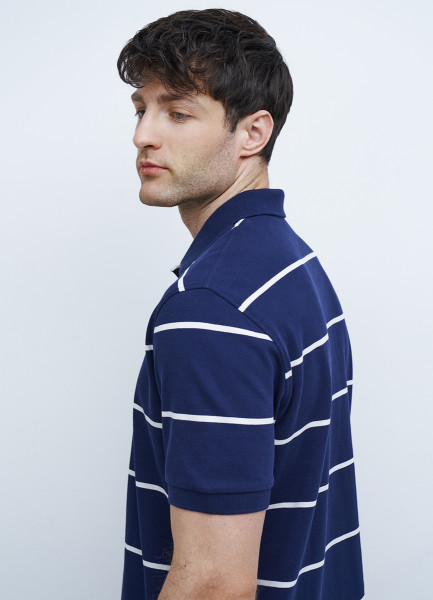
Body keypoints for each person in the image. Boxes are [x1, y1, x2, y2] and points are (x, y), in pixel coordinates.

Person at [117, 8, 364, 600]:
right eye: (140, 109)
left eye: (178, 112)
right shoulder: (290, 264)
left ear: (253, 134)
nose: (143, 134)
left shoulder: (210, 309)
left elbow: (213, 582)